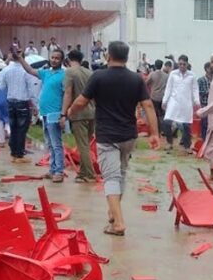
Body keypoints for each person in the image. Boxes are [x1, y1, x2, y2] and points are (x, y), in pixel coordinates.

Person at [66, 41, 161, 236]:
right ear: (126, 57)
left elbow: (82, 101)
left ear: (108, 56)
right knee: (121, 174)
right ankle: (113, 211)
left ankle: (118, 223)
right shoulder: (136, 79)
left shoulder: (99, 77)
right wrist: (154, 134)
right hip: (128, 136)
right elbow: (148, 106)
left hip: (107, 136)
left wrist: (71, 110)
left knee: (111, 177)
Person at [20, 48, 68, 182]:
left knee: (56, 143)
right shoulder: (46, 73)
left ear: (61, 60)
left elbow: (66, 95)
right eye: (52, 57)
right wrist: (20, 59)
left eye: (57, 58)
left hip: (55, 113)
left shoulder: (64, 75)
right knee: (49, 143)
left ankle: (59, 171)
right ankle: (52, 170)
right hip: (45, 113)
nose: (54, 60)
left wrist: (63, 114)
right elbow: (30, 70)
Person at [62, 49, 97, 182]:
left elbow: (68, 93)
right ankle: (83, 172)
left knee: (82, 146)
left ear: (68, 59)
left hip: (78, 112)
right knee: (85, 144)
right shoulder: (89, 72)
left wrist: (63, 113)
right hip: (91, 112)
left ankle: (89, 174)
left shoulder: (69, 72)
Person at [0, 53, 37, 163]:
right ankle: (19, 154)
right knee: (21, 129)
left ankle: (13, 152)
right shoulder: (26, 71)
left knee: (13, 127)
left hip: (10, 102)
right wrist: (34, 105)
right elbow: (31, 89)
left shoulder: (6, 70)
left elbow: (1, 86)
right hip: (22, 102)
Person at [162, 55, 197, 153]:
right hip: (173, 102)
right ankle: (169, 142)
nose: (182, 66)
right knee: (166, 122)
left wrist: (196, 101)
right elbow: (168, 88)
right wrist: (165, 101)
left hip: (186, 103)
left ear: (187, 64)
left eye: (184, 64)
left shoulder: (192, 75)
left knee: (186, 125)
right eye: (180, 64)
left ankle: (187, 146)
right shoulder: (173, 74)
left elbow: (195, 89)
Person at [147, 60, 170, 145]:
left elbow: (146, 83)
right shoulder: (166, 76)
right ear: (162, 65)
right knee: (162, 116)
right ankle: (165, 132)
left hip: (154, 97)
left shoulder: (152, 74)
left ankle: (157, 133)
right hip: (163, 98)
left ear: (155, 66)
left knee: (154, 116)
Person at [197, 62, 212, 140]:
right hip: (204, 104)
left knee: (212, 123)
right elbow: (198, 92)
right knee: (204, 123)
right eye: (210, 68)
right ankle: (204, 139)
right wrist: (209, 92)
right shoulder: (201, 80)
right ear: (206, 69)